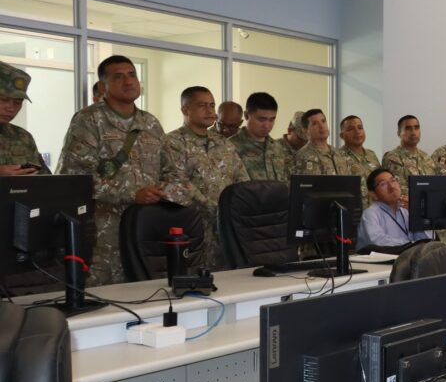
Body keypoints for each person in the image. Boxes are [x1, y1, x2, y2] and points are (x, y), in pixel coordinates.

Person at [58, 55, 166, 285]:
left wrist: (165, 193)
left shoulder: (151, 123)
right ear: (102, 86)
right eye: (118, 77)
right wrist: (131, 194)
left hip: (146, 231)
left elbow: (168, 170)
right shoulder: (89, 120)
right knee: (106, 300)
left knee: (147, 293)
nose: (128, 82)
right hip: (104, 234)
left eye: (132, 75)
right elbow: (75, 177)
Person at [159, 86, 250, 269]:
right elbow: (177, 183)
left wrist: (237, 210)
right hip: (194, 228)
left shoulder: (224, 143)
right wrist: (216, 209)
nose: (210, 111)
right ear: (185, 110)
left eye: (212, 105)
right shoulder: (172, 142)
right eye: (202, 105)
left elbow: (242, 181)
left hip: (226, 231)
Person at [357, 168, 433, 248]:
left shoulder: (406, 209)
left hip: (410, 256)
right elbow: (378, 242)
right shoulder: (370, 214)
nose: (391, 186)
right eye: (383, 184)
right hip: (385, 258)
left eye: (393, 180)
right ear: (373, 195)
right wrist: (411, 244)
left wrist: (417, 213)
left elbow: (427, 239)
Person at [0, 62, 50, 175]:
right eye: (3, 100)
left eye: (17, 102)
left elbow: (46, 180)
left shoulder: (22, 137)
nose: (11, 108)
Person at [229, 92, 289, 182]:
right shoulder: (230, 147)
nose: (267, 125)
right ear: (246, 115)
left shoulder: (278, 148)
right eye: (261, 120)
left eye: (272, 120)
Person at [381, 114, 437, 201]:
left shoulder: (426, 158)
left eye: (416, 127)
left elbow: (434, 185)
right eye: (408, 128)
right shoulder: (392, 158)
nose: (413, 132)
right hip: (403, 210)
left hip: (428, 208)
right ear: (399, 133)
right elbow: (393, 190)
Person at [293, 108, 355, 176]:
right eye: (315, 123)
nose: (322, 126)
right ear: (306, 131)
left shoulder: (339, 153)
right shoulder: (303, 156)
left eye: (323, 121)